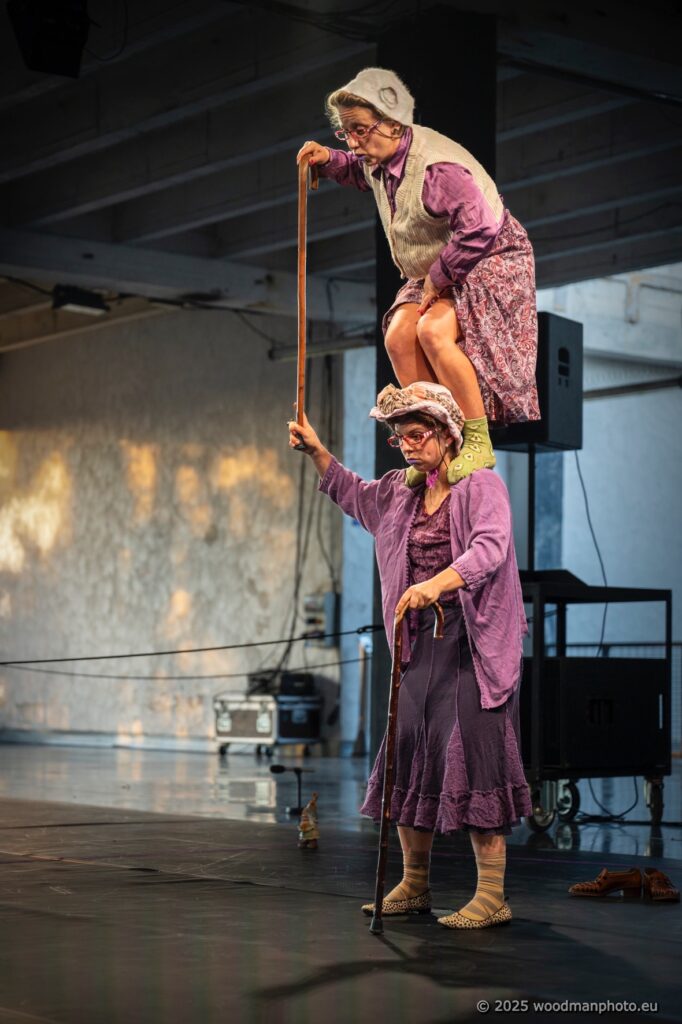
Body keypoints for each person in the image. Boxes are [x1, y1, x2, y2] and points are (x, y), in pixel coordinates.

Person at [288, 381, 532, 930]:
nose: (407, 445)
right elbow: (353, 493)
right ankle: (415, 883)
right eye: (400, 438)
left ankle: (492, 895)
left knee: (475, 753)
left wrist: (434, 585)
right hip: (419, 646)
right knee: (407, 750)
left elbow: (490, 548)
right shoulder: (399, 491)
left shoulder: (480, 485)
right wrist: (317, 451)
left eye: (417, 435)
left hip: (472, 644)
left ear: (447, 433)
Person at [296, 67, 539, 486]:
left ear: (393, 123)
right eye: (345, 133)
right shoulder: (379, 157)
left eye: (359, 131)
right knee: (398, 337)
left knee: (432, 331)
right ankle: (435, 435)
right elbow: (358, 172)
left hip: (487, 257)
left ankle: (476, 440)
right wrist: (329, 159)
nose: (353, 142)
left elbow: (480, 228)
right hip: (439, 261)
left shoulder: (436, 168)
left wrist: (439, 277)